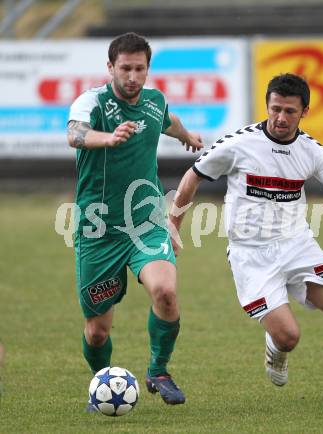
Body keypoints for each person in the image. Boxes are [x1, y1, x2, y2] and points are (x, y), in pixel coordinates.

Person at [169, 73, 323, 401]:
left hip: (297, 245)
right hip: (250, 254)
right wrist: (174, 227)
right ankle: (276, 345)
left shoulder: (313, 152)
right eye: (275, 109)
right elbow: (191, 178)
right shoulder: (239, 144)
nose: (281, 118)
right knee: (289, 336)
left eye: (289, 111)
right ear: (267, 106)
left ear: (304, 112)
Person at [67, 32, 203, 409]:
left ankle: (158, 370)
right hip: (98, 230)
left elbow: (166, 118)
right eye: (124, 68)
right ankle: (102, 384)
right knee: (97, 332)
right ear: (110, 67)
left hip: (144, 222)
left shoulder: (153, 101)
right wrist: (107, 139)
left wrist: (186, 135)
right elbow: (74, 134)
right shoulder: (91, 101)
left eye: (139, 69)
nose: (132, 76)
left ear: (147, 69)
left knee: (166, 292)